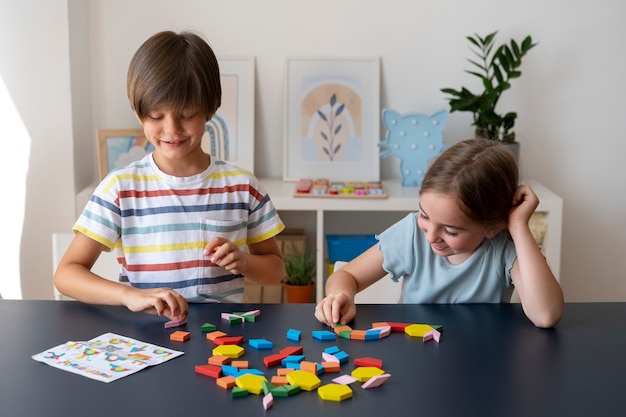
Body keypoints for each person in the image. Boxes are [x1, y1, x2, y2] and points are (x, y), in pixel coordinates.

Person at [54, 30, 285, 321]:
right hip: (147, 340)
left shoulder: (243, 187)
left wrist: (245, 263)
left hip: (224, 342)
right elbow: (66, 274)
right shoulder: (121, 188)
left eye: (187, 114)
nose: (172, 129)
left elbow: (275, 270)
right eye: (156, 116)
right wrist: (130, 296)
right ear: (139, 113)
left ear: (210, 109)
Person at [315, 138, 563, 329]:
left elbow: (546, 315)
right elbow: (348, 275)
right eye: (424, 215)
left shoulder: (503, 249)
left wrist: (518, 224)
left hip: (482, 364)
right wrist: (341, 295)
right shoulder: (411, 233)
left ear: (492, 227)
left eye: (450, 230)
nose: (430, 236)